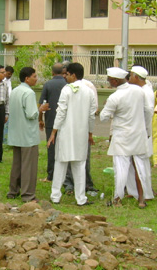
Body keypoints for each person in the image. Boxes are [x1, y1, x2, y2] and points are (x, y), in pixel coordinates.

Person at [100, 67, 153, 208]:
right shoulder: (138, 91)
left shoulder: (115, 97)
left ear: (115, 81)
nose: (108, 83)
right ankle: (141, 198)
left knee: (121, 168)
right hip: (138, 134)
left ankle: (117, 199)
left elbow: (103, 117)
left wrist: (108, 109)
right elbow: (148, 111)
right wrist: (146, 128)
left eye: (109, 80)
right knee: (140, 167)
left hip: (122, 136)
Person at [48, 62, 97, 207]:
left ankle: (55, 196)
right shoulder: (89, 91)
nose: (65, 77)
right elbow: (92, 115)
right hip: (81, 133)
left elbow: (61, 112)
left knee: (60, 163)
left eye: (67, 74)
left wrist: (54, 131)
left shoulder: (67, 90)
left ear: (73, 75)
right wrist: (90, 132)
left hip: (66, 133)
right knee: (80, 165)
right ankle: (80, 198)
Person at [7, 67, 40, 202]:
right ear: (27, 78)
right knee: (28, 166)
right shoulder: (29, 93)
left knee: (17, 164)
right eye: (34, 76)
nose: (36, 79)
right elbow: (31, 114)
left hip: (16, 133)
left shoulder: (15, 91)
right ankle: (28, 194)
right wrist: (40, 109)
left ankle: (13, 191)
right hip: (28, 135)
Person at [127, 65, 155, 202]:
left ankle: (145, 192)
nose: (129, 79)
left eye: (131, 76)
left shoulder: (145, 92)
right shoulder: (139, 90)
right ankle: (133, 191)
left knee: (141, 163)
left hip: (142, 132)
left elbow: (148, 111)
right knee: (133, 162)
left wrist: (146, 129)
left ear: (136, 77)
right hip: (138, 131)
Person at [38, 63, 67, 182]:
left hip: (51, 120)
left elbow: (42, 104)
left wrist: (40, 119)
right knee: (65, 147)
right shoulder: (67, 84)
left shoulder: (48, 84)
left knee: (51, 148)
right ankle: (66, 176)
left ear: (52, 72)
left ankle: (51, 175)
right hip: (65, 121)